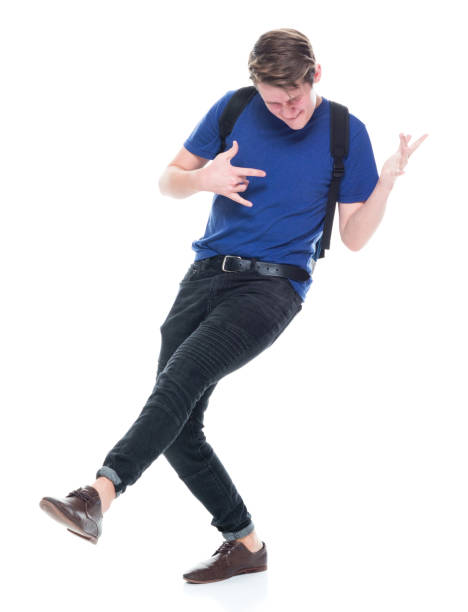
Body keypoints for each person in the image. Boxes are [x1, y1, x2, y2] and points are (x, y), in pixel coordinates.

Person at [39, 28, 428, 583]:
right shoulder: (235, 109)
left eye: (294, 97)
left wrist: (386, 183)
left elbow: (356, 236)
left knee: (178, 382)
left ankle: (97, 494)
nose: (287, 110)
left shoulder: (345, 130)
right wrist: (202, 179)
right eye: (275, 100)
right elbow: (167, 181)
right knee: (176, 423)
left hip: (273, 288)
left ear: (316, 75)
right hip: (203, 276)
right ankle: (245, 544)